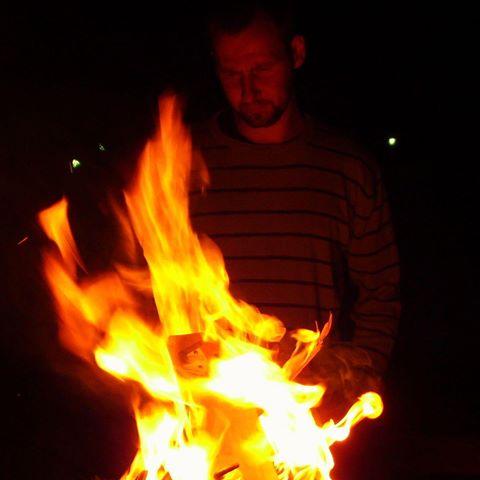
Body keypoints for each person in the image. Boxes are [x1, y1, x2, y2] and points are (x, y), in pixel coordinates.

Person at [190, 1, 400, 423]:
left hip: (309, 419)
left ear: (296, 53)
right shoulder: (182, 165)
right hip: (209, 419)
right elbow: (155, 289)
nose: (248, 89)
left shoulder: (346, 169)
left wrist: (355, 381)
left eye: (262, 69)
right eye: (232, 74)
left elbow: (380, 291)